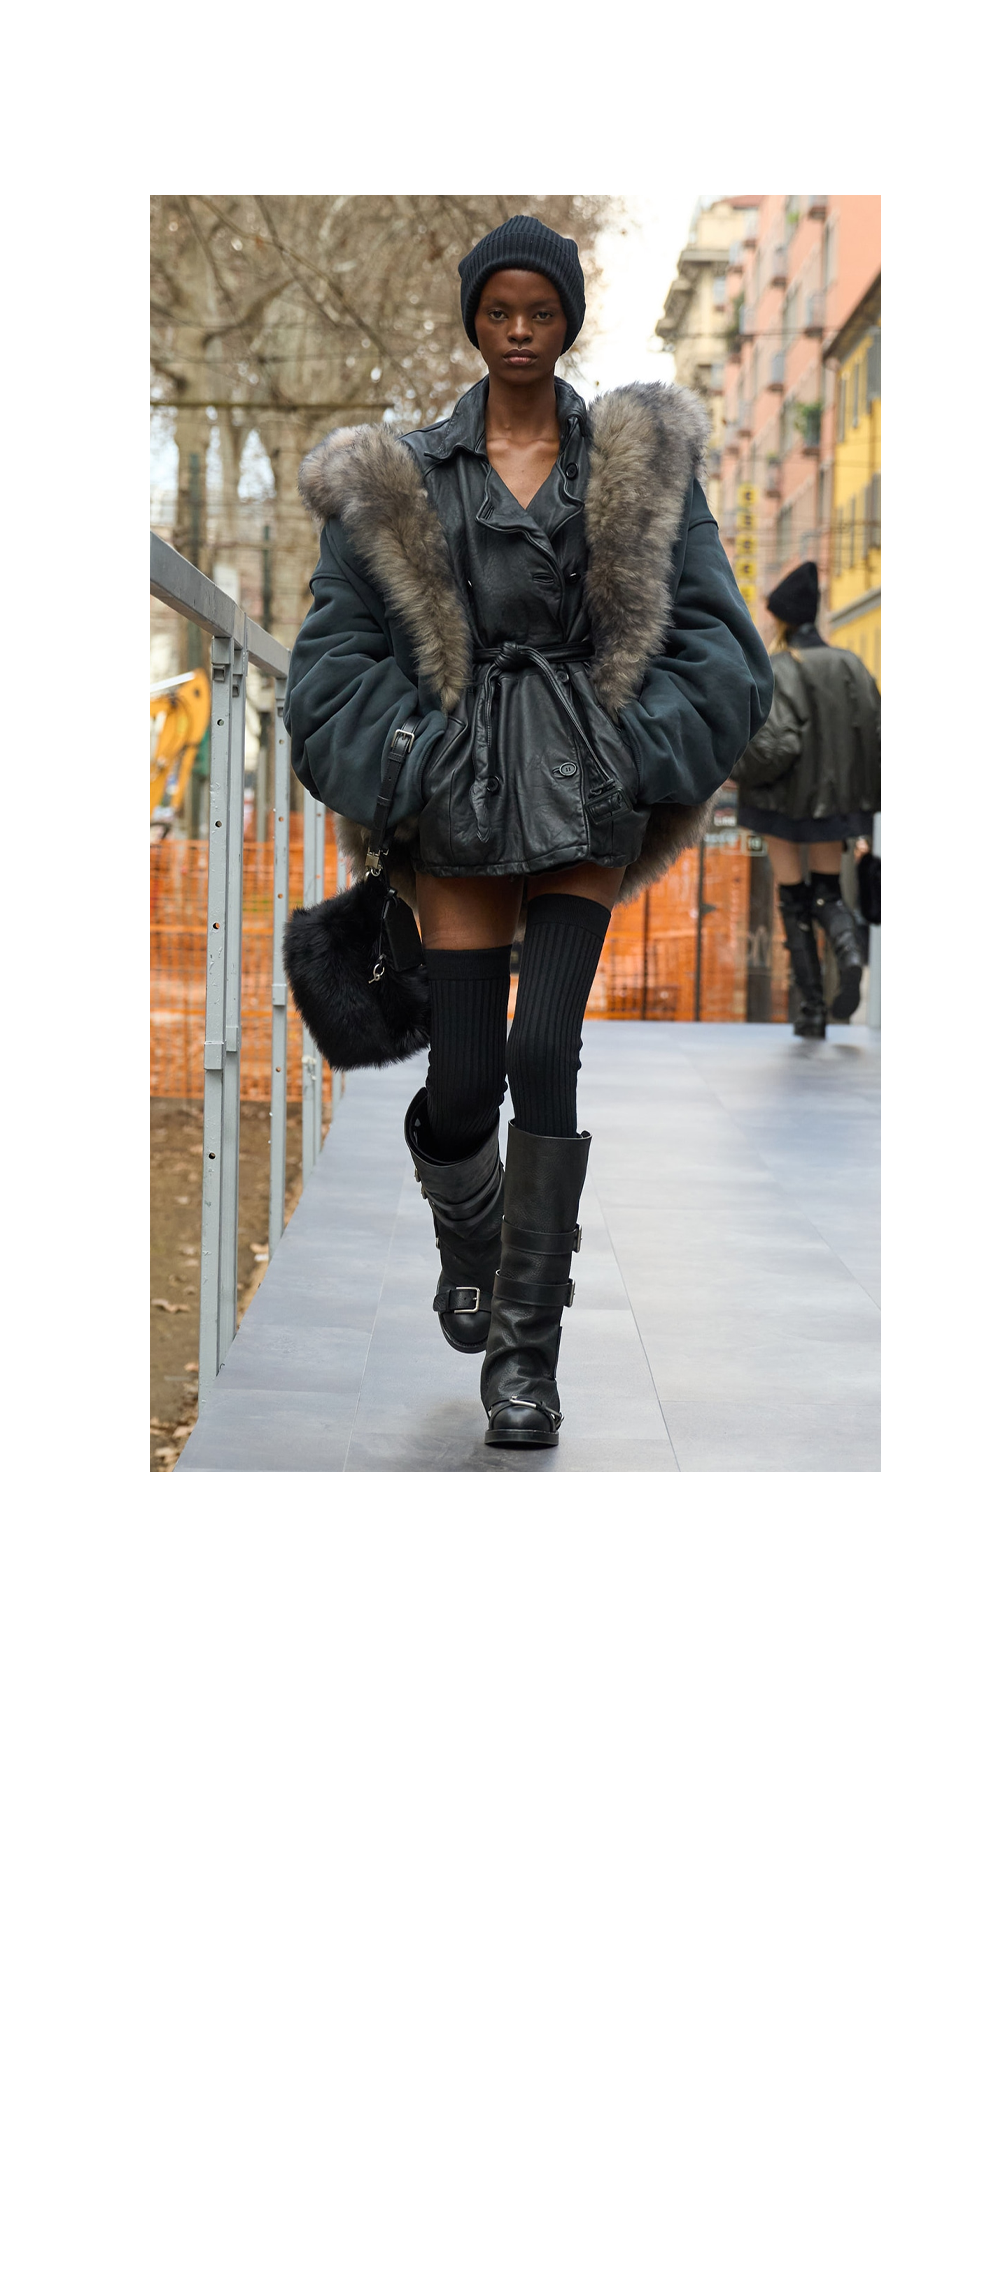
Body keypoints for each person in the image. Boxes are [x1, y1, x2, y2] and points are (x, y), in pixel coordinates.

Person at [285, 215, 771, 1448]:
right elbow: (332, 659)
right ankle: (473, 1238)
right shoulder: (397, 478)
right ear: (473, 320)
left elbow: (717, 642)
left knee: (544, 1049)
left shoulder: (637, 468)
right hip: (453, 798)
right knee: (464, 1081)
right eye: (498, 312)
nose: (517, 333)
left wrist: (629, 749)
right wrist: (416, 756)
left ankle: (524, 1357)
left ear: (567, 322)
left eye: (539, 313)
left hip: (583, 794)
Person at [734, 561, 881, 1039]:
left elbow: (775, 747)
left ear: (781, 618)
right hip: (836, 804)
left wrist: (735, 770)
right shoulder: (851, 665)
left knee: (792, 899)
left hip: (779, 801)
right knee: (828, 891)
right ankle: (850, 953)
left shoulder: (778, 668)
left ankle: (812, 1010)